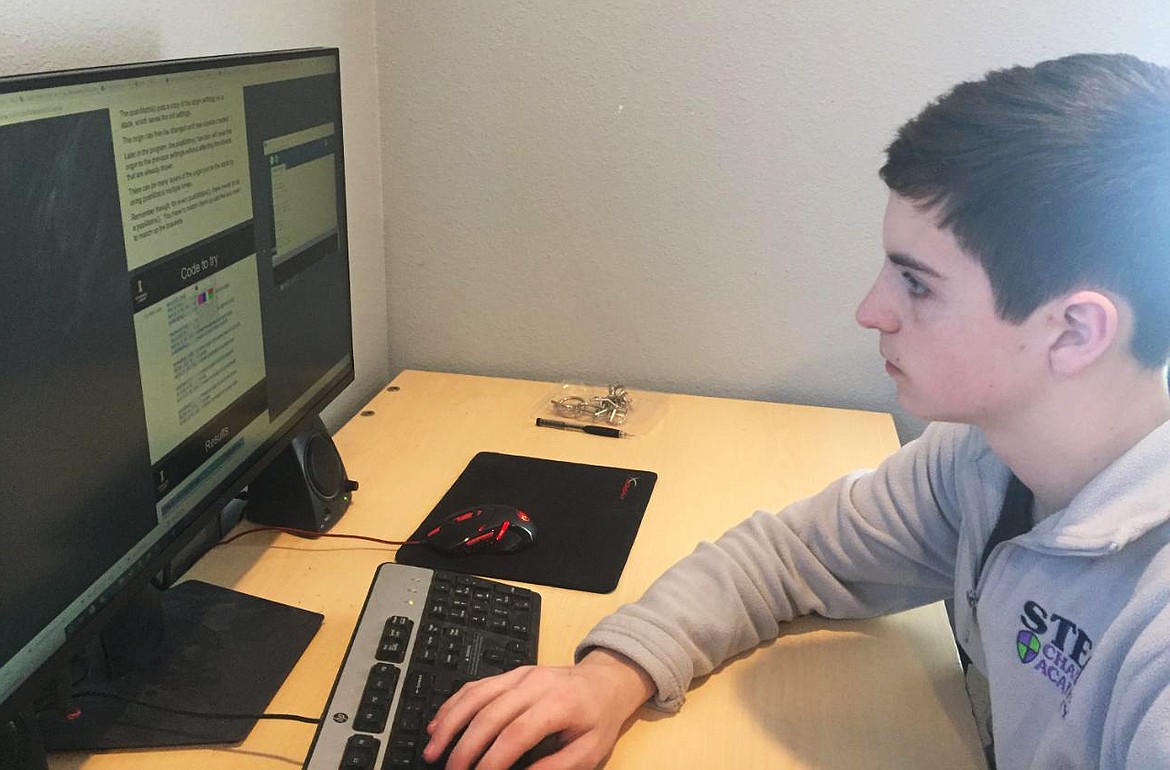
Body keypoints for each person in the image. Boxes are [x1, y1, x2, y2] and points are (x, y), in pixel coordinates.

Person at [423, 52, 1170, 769]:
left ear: (1073, 332)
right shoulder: (987, 460)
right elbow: (786, 557)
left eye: (917, 284)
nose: (870, 310)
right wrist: (610, 676)